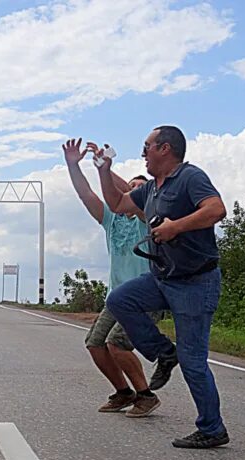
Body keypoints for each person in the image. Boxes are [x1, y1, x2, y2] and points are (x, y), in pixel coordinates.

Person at [96, 125, 229, 449]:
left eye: (147, 147)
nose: (143, 153)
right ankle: (163, 354)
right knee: (120, 299)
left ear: (165, 149)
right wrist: (104, 170)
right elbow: (116, 204)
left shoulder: (190, 177)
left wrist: (175, 227)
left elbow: (216, 209)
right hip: (162, 278)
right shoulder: (152, 189)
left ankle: (212, 429)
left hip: (196, 282)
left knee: (194, 361)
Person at [62, 137, 161, 418]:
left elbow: (138, 198)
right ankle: (123, 392)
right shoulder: (113, 220)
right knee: (95, 343)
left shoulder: (149, 218)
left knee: (116, 343)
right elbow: (86, 195)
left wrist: (105, 167)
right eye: (131, 187)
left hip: (145, 297)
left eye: (139, 189)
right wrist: (74, 167)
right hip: (116, 297)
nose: (133, 191)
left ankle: (145, 395)